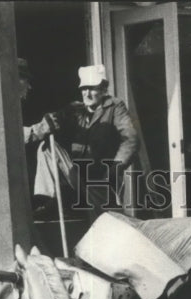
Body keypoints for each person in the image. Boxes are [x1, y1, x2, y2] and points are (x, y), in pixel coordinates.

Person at [0, 58, 51, 269]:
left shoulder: (1, 105)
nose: (30, 86)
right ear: (13, 81)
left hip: (0, 191)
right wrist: (42, 128)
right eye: (26, 80)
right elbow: (9, 137)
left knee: (13, 256)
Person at [33, 64, 141, 218]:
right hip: (77, 173)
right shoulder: (76, 109)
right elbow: (50, 122)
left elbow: (131, 140)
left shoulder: (115, 107)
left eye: (92, 88)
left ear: (103, 90)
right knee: (47, 147)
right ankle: (49, 198)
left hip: (101, 176)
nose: (87, 93)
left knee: (108, 220)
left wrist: (115, 169)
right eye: (84, 88)